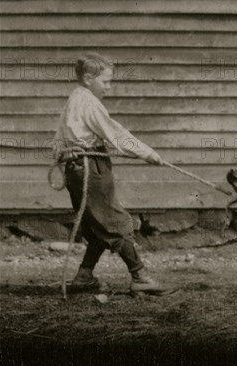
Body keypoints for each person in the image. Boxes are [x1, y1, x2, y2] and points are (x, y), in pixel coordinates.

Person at [54, 52, 174, 295]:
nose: (109, 87)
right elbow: (115, 133)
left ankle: (84, 276)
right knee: (114, 220)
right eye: (106, 81)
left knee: (96, 222)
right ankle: (140, 276)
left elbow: (60, 139)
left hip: (78, 168)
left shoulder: (74, 99)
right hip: (89, 168)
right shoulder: (87, 102)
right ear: (88, 79)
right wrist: (147, 153)